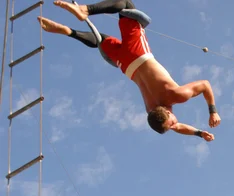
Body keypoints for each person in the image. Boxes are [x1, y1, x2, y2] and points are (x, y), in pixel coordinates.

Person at [37, 0, 221, 141]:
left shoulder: (176, 95)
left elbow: (205, 84)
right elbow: (178, 127)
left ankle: (86, 10)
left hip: (138, 54)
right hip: (125, 66)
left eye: (171, 121)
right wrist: (198, 133)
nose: (175, 121)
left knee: (125, 4)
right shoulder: (151, 110)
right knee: (101, 39)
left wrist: (213, 111)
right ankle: (69, 31)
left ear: (166, 113)